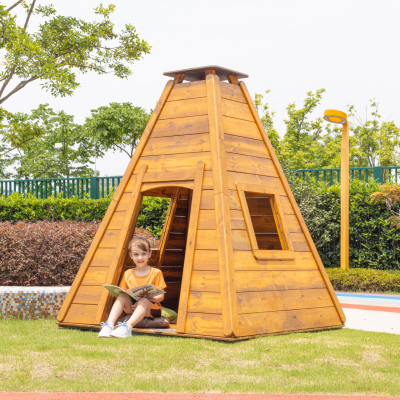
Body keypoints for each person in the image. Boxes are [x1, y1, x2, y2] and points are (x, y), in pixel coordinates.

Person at [98, 236, 166, 338]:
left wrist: (146, 298)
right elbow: (124, 293)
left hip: (150, 308)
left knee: (143, 300)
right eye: (136, 254)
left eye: (144, 254)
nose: (140, 258)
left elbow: (161, 297)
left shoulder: (156, 273)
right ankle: (109, 325)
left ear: (150, 254)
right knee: (122, 296)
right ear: (131, 255)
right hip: (132, 307)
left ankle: (126, 328)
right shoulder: (128, 274)